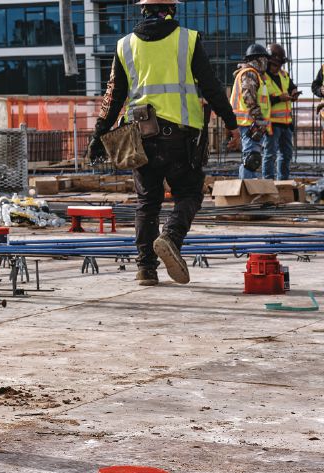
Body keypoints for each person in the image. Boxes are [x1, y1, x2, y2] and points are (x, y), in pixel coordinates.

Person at [89, 0, 237, 287]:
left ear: (142, 9)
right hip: (182, 138)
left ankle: (146, 269)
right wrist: (232, 125)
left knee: (147, 203)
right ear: (172, 9)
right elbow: (211, 86)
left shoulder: (125, 45)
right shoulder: (188, 39)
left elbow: (113, 96)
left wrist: (99, 134)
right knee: (190, 194)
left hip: (141, 136)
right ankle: (170, 236)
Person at [230, 44, 272, 179]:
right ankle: (247, 190)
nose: (266, 63)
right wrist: (258, 118)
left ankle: (248, 188)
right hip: (249, 122)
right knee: (251, 157)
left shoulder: (255, 75)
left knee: (251, 156)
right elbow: (248, 96)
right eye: (264, 59)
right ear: (257, 59)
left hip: (251, 122)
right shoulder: (249, 73)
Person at [262, 43, 299, 180]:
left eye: (279, 65)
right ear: (268, 62)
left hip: (286, 123)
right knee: (270, 154)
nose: (277, 68)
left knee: (286, 154)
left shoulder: (284, 75)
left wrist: (294, 92)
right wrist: (278, 98)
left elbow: (291, 87)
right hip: (271, 124)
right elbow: (261, 101)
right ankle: (268, 183)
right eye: (274, 65)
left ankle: (283, 182)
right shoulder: (262, 77)